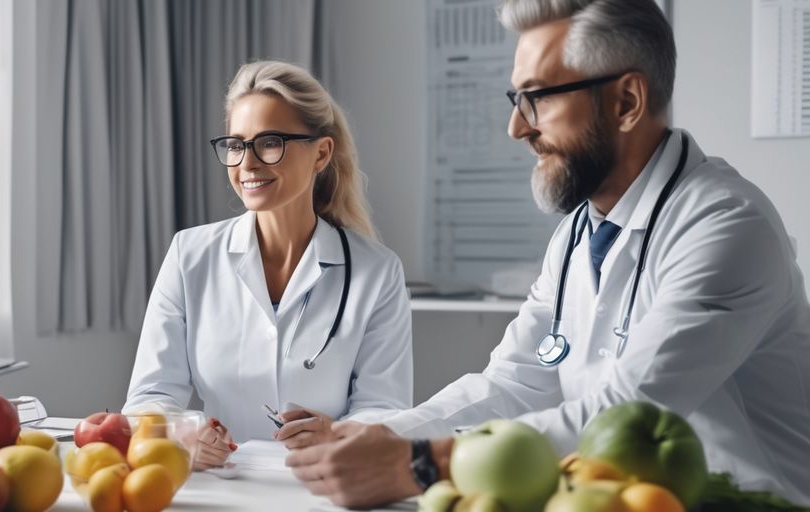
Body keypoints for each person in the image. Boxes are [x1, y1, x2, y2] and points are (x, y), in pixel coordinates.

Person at [285, 0, 810, 507]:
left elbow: (623, 417)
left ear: (626, 102)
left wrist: (418, 463)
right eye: (516, 99)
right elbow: (514, 382)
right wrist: (368, 433)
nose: (518, 128)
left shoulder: (724, 225)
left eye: (538, 97)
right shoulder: (580, 231)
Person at [124, 60, 413, 470]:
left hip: (324, 485)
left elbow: (386, 409)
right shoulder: (190, 255)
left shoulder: (377, 272)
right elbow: (148, 399)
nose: (248, 163)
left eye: (270, 142)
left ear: (321, 153)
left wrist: (338, 433)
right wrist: (187, 435)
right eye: (237, 145)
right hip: (220, 486)